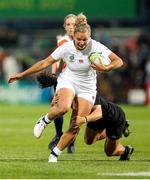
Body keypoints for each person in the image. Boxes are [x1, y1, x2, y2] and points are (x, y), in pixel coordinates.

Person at [8, 13, 124, 163]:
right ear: (73, 37)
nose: (82, 42)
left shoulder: (96, 46)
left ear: (89, 37)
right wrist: (22, 75)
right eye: (79, 39)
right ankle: (44, 120)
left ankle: (54, 154)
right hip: (68, 80)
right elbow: (45, 62)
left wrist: (106, 67)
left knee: (75, 125)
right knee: (63, 108)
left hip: (87, 88)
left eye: (85, 39)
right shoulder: (66, 47)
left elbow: (119, 61)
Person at [74, 94, 134, 160]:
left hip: (114, 118)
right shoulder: (74, 95)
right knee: (88, 140)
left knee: (110, 152)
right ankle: (118, 129)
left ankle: (126, 150)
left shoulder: (90, 94)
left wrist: (84, 119)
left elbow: (99, 113)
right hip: (98, 119)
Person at [48, 14, 77, 153]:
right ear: (65, 27)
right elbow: (56, 59)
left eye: (73, 24)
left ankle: (70, 138)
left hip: (82, 80)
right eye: (68, 25)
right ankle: (59, 134)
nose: (71, 27)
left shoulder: (84, 39)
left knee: (77, 110)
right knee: (60, 107)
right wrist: (54, 75)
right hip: (67, 80)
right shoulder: (63, 41)